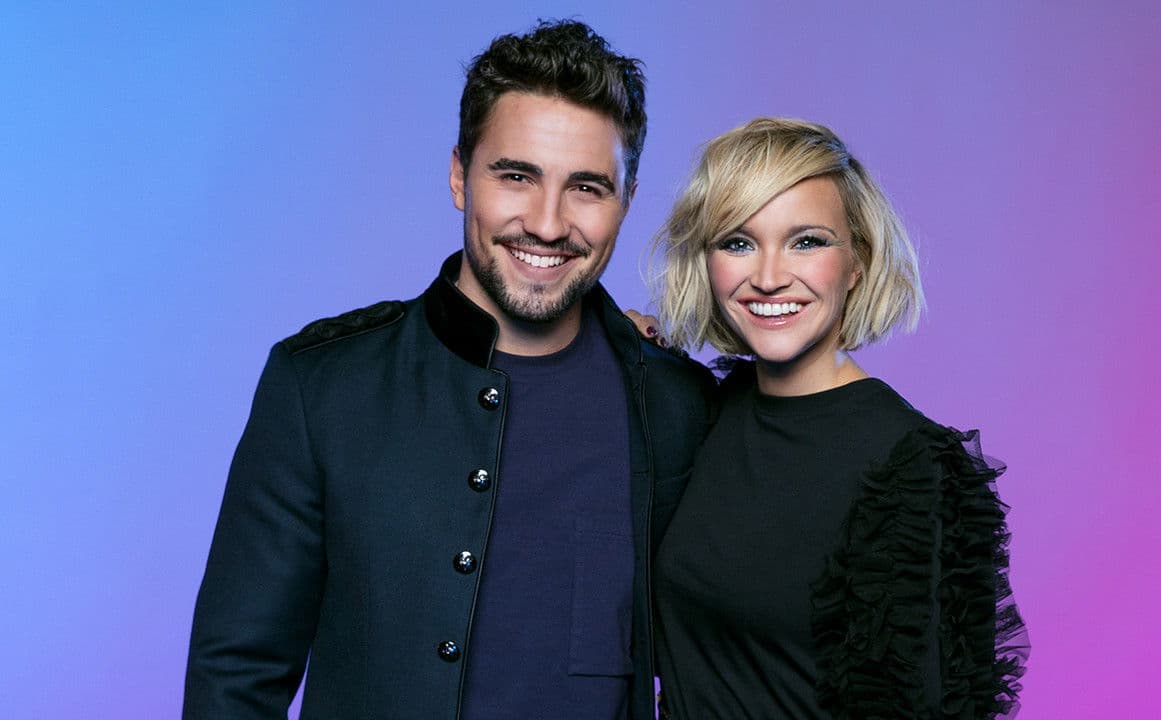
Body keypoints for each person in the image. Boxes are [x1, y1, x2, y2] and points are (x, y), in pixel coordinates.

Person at [183, 20, 715, 720]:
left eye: (587, 187)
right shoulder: (324, 387)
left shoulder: (677, 405)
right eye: (516, 176)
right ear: (460, 175)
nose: (547, 224)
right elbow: (235, 679)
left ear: (628, 200)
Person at [646, 118, 1028, 718]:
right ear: (706, 260)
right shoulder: (702, 413)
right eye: (738, 242)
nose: (768, 277)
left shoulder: (911, 469)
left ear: (857, 263)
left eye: (806, 241)